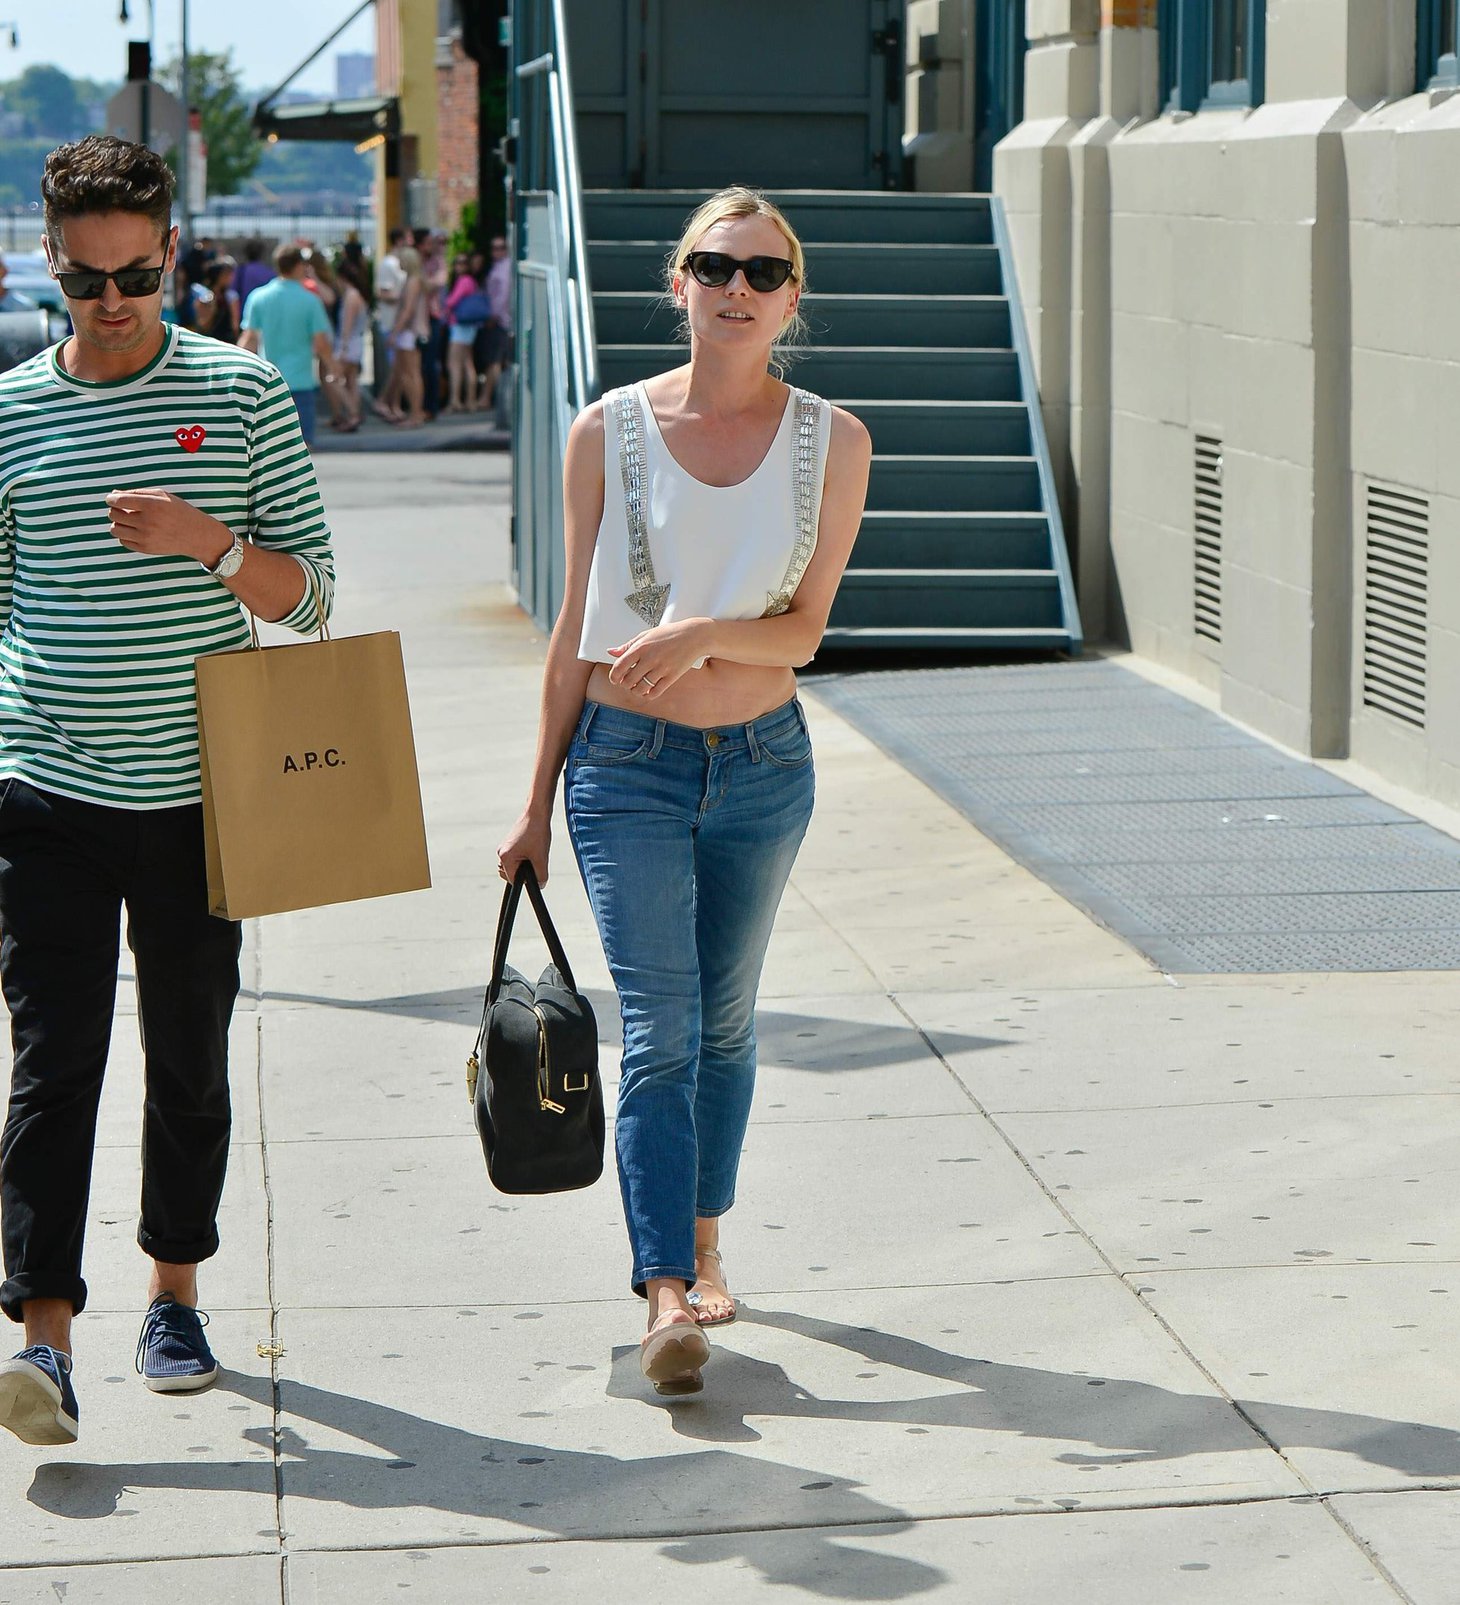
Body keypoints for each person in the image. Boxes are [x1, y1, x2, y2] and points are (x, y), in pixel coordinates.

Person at [496, 187, 871, 1396]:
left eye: (762, 273)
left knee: (724, 1023)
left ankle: (706, 1236)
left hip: (763, 768)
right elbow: (573, 625)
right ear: (679, 284)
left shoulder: (833, 442)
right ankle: (664, 1290)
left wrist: (705, 633)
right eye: (714, 267)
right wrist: (534, 802)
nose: (736, 290)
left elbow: (804, 632)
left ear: (792, 298)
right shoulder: (605, 430)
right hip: (624, 768)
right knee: (659, 1029)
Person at [0, 134, 334, 1446]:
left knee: (189, 1059)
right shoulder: (12, 412)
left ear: (173, 255)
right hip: (45, 794)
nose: (115, 302)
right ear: (52, 263)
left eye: (137, 276)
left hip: (205, 798)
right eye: (88, 281)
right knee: (52, 1065)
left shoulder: (240, 395)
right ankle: (43, 1337)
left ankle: (174, 1298)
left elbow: (312, 599)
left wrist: (210, 544)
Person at [237, 243, 340, 447]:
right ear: (299, 266)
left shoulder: (258, 297)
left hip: (269, 383)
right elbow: (321, 343)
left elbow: (249, 339)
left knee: (270, 447)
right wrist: (334, 367)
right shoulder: (310, 301)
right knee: (303, 446)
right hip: (301, 383)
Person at [387, 245, 429, 429]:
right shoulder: (415, 279)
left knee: (411, 374)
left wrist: (394, 332)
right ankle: (415, 413)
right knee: (408, 374)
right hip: (411, 332)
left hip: (409, 333)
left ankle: (415, 414)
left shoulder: (413, 281)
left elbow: (408, 310)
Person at [443, 251, 487, 414]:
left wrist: (441, 306)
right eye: (457, 263)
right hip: (468, 327)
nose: (459, 266)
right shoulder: (471, 281)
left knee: (454, 364)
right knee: (468, 363)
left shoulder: (464, 280)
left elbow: (452, 301)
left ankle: (455, 400)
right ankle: (470, 400)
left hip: (460, 326)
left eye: (462, 263)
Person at [371, 226, 407, 422]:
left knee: (400, 368)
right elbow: (381, 292)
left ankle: (393, 405)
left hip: (398, 323)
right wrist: (405, 297)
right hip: (390, 323)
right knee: (397, 368)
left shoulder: (398, 264)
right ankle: (385, 402)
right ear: (400, 240)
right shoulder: (389, 264)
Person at [330, 256, 369, 431]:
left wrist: (343, 348)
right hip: (356, 342)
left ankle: (353, 413)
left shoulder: (351, 296)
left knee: (333, 379)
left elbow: (347, 325)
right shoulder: (357, 294)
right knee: (351, 381)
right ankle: (353, 415)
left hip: (349, 343)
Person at [478, 234, 512, 413]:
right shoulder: (499, 267)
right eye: (494, 248)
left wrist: (494, 315)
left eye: (501, 248)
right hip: (500, 320)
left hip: (500, 320)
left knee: (495, 361)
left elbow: (503, 294)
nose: (497, 251)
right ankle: (488, 397)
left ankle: (494, 398)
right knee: (496, 360)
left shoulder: (504, 268)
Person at [193, 255, 239, 344]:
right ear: (218, 275)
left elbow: (234, 325)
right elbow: (202, 324)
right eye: (227, 274)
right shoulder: (204, 296)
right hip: (208, 341)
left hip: (226, 342)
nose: (231, 277)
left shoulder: (230, 297)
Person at [232, 237, 274, 311]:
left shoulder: (240, 271)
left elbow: (233, 296)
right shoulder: (270, 273)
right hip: (265, 313)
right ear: (262, 254)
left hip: (245, 313)